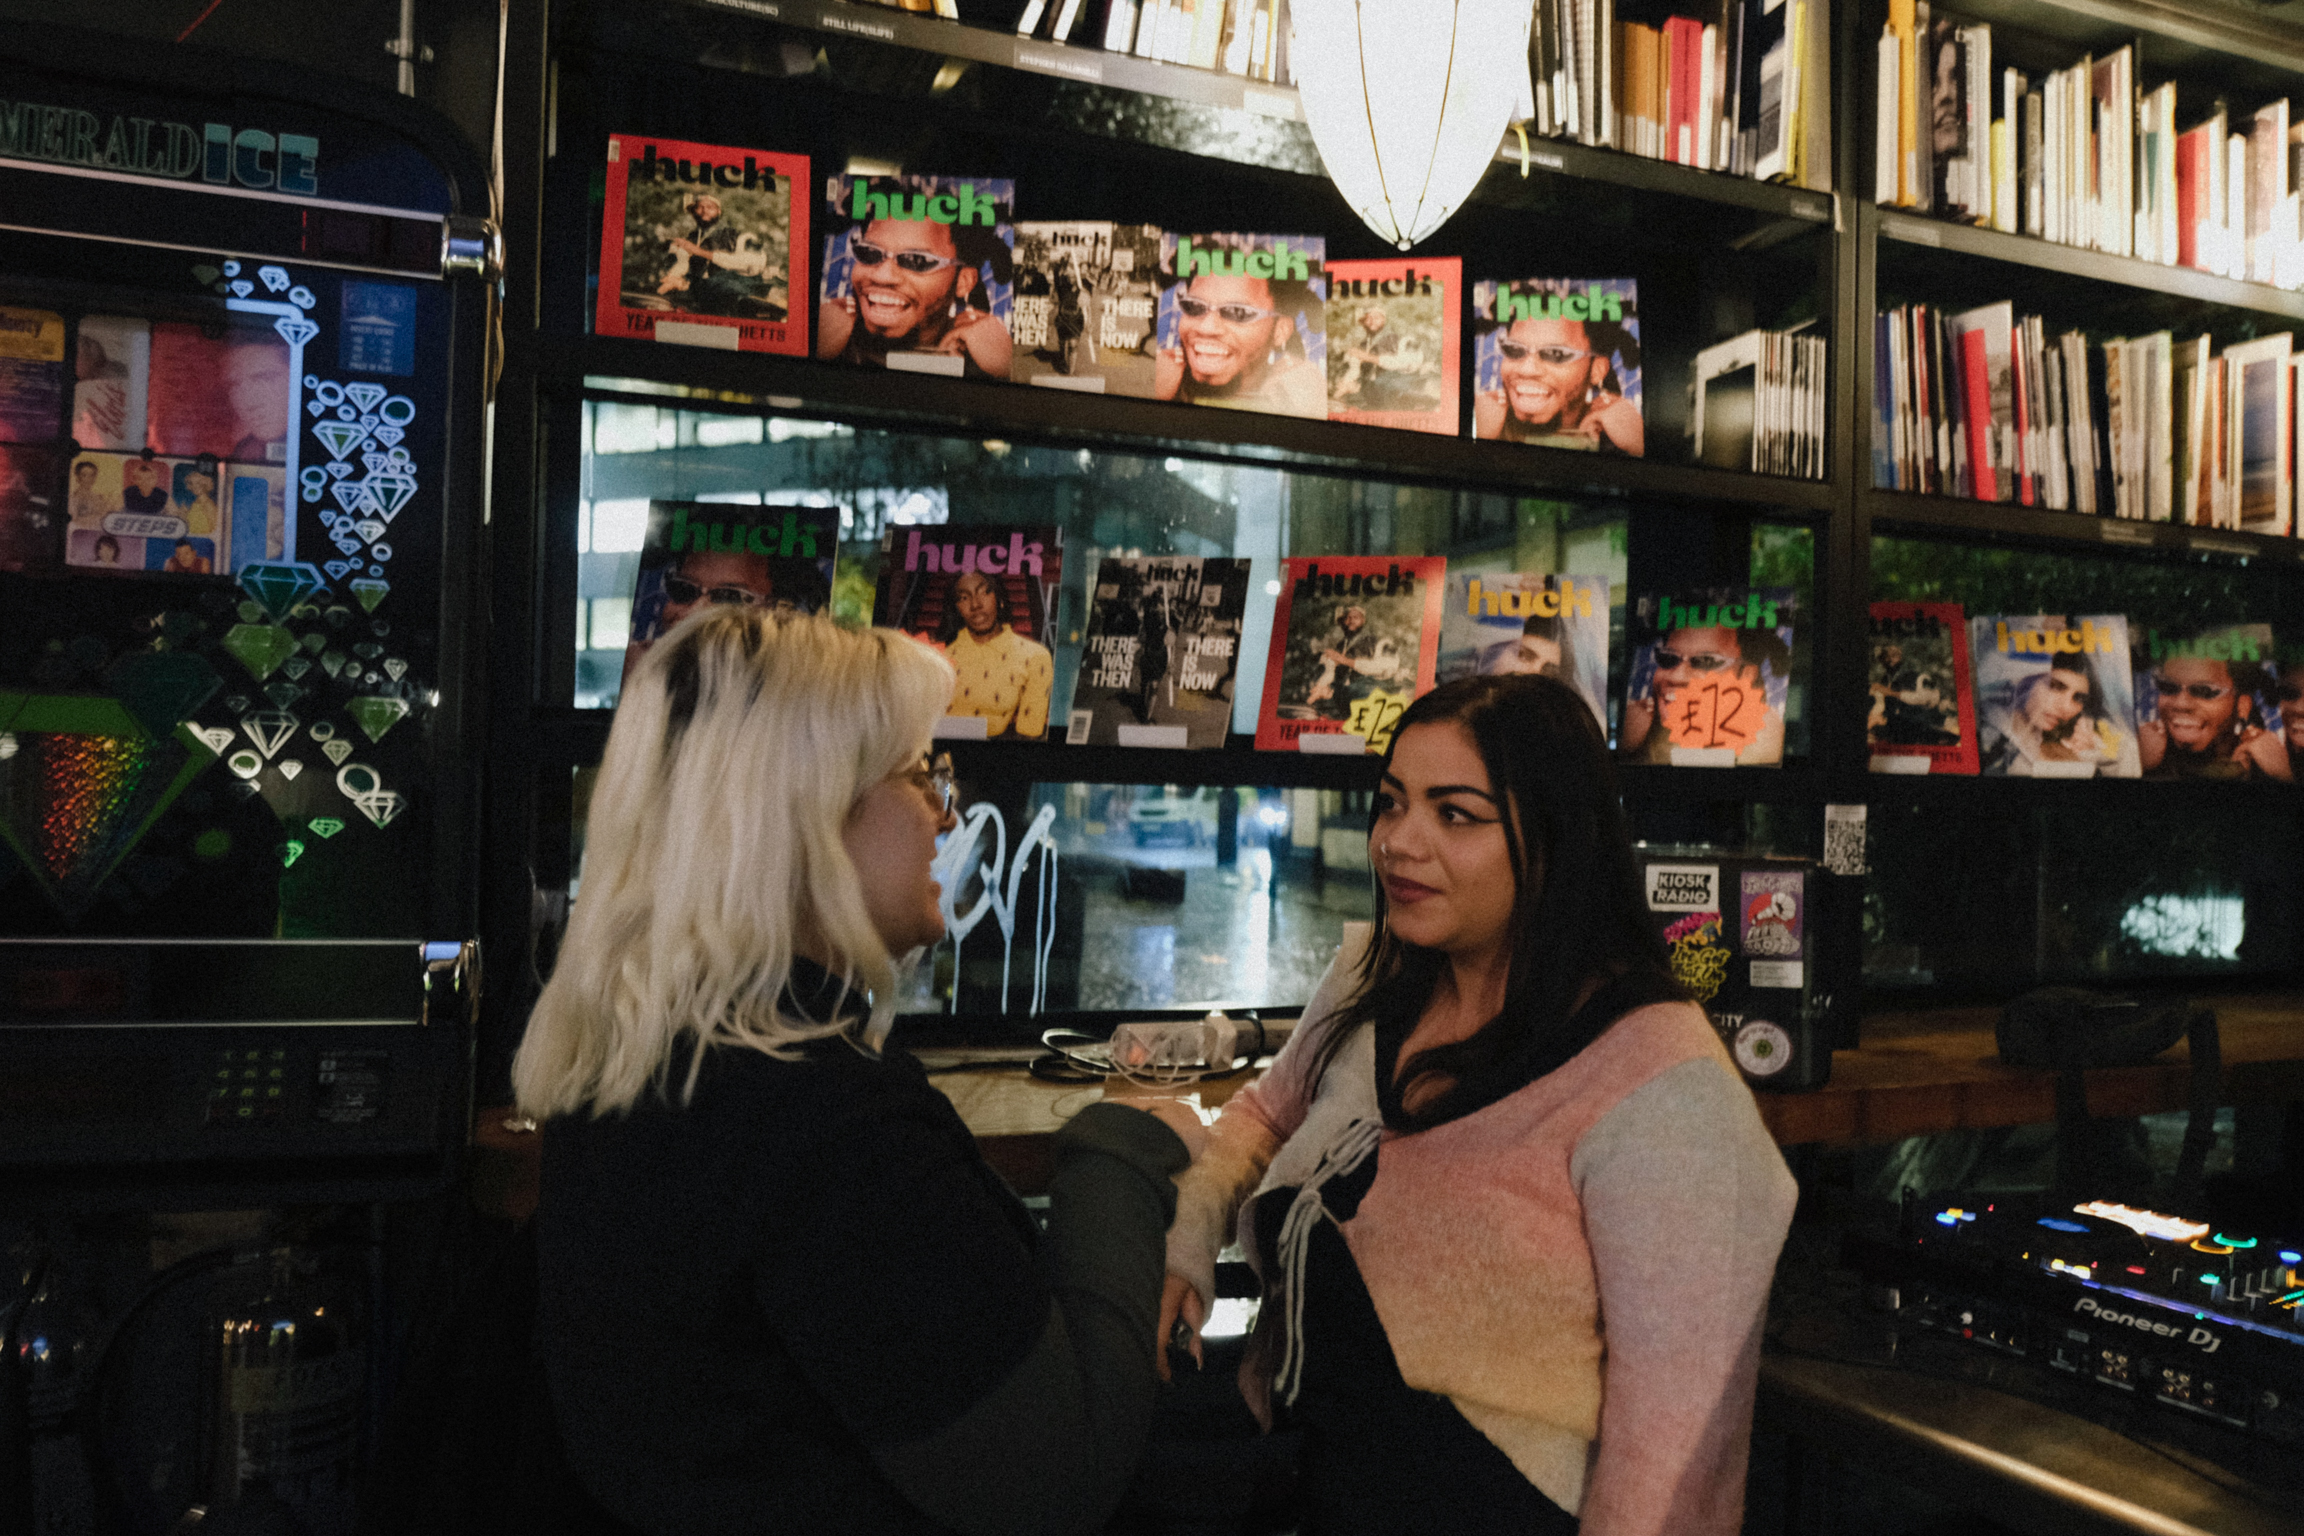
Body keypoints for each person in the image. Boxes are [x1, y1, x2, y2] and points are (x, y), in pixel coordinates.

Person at [518, 607, 1204, 1535]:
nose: (946, 810)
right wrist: (1120, 1146)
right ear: (806, 811)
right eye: (921, 773)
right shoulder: (824, 1123)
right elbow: (1059, 1480)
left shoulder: (641, 1053)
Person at [1159, 673, 1796, 1535]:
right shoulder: (1373, 980)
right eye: (1392, 804)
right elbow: (1267, 1117)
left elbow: (1674, 1466)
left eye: (1455, 814)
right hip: (1303, 1473)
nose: (1398, 842)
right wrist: (1190, 1238)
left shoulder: (1661, 1087)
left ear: (1555, 837)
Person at [817, 194, 1014, 379]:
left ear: (963, 282)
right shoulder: (825, 340)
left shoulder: (992, 361)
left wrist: (1007, 369)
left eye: (917, 260)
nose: (882, 276)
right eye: (869, 252)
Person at [1154, 266, 1325, 417]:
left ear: (1280, 332)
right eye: (1193, 306)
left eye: (1238, 312)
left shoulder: (1300, 395)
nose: (1207, 328)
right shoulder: (1160, 381)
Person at [1618, 621, 1789, 764]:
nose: (1677, 676)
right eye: (1668, 658)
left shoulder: (1763, 735)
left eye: (1706, 661)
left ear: (1747, 675)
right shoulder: (1636, 725)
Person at [1475, 312, 1644, 454]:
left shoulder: (1619, 436)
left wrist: (1639, 444)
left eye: (1556, 353)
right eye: (1514, 349)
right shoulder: (1481, 419)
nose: (1527, 369)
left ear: (1597, 370)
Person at [2137, 651, 2290, 781]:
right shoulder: (2139, 756)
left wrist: (2284, 776)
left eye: (2205, 691)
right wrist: (2136, 764)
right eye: (2168, 687)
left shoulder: (2269, 766)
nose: (2181, 704)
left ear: (2243, 705)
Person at [1979, 650, 2138, 775]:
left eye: (2078, 698)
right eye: (2055, 686)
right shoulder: (1987, 733)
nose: (2066, 707)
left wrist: (2097, 753)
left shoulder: (2069, 740)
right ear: (2027, 680)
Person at [937, 568, 1053, 737]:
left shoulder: (1035, 656)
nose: (975, 605)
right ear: (956, 609)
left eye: (984, 592)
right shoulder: (939, 656)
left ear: (1000, 599)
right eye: (963, 598)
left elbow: (1030, 730)